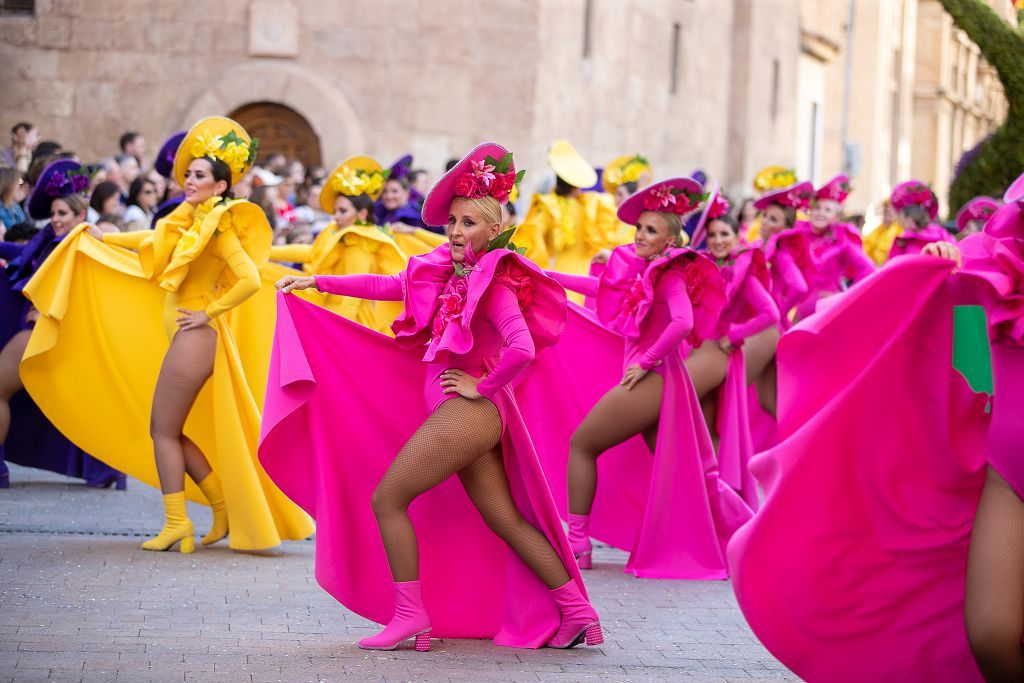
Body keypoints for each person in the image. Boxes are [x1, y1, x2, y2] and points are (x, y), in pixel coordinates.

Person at [265, 142, 602, 651]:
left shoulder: (496, 281)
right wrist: (317, 281)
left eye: (468, 224)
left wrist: (480, 387)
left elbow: (522, 347)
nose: (456, 232)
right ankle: (579, 614)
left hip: (468, 411)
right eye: (453, 222)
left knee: (387, 498)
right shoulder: (449, 271)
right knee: (503, 518)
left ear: (493, 230)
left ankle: (411, 615)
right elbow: (389, 285)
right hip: (466, 414)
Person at [21, 117, 313, 552]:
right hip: (190, 336)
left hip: (198, 336)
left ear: (219, 185)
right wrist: (104, 237)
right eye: (188, 173)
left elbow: (250, 278)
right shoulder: (189, 219)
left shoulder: (220, 224)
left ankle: (177, 522)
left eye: (198, 175)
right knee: (170, 428)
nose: (188, 180)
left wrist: (207, 313)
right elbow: (155, 240)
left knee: (161, 428)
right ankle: (218, 510)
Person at [533, 177, 753, 579]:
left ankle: (578, 544)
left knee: (582, 443)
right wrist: (545, 276)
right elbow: (600, 287)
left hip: (654, 379)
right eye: (639, 228)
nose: (640, 236)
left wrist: (646, 360)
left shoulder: (668, 274)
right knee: (687, 469)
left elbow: (684, 322)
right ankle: (747, 534)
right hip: (657, 378)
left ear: (670, 241)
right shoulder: (641, 268)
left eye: (651, 231)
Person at [0, 160, 125, 489]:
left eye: (62, 214)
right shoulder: (50, 243)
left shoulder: (81, 247)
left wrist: (47, 309)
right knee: (78, 403)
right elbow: (21, 251)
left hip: (47, 332)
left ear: (80, 216)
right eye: (53, 214)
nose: (55, 220)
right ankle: (105, 468)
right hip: (47, 333)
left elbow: (86, 290)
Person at [686, 193, 781, 508]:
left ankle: (725, 500)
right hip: (699, 348)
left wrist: (735, 335)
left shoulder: (744, 270)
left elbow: (771, 314)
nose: (717, 240)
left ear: (736, 234)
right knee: (708, 423)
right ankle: (714, 499)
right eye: (712, 234)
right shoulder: (703, 267)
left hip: (721, 352)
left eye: (724, 234)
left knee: (699, 416)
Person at [267, 156, 406, 332]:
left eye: (343, 211)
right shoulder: (342, 235)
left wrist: (335, 333)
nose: (337, 216)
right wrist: (267, 252)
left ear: (362, 214)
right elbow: (314, 252)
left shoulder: (359, 247)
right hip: (334, 316)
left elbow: (352, 299)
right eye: (336, 211)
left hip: (352, 325)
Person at [514, 140, 619, 277]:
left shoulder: (549, 205)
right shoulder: (593, 204)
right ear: (577, 185)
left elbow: (531, 235)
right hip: (589, 275)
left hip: (564, 276)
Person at [792, 174, 875, 320]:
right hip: (798, 310)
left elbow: (868, 270)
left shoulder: (842, 240)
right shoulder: (799, 235)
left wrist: (845, 295)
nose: (820, 213)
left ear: (836, 217)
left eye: (827, 210)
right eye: (817, 208)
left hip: (827, 312)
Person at [888, 180, 956, 259]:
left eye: (900, 216)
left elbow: (893, 267)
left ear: (909, 220)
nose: (899, 221)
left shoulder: (903, 242)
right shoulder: (943, 235)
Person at [862, 199, 901, 265]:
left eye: (889, 215)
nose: (885, 218)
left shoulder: (899, 231)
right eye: (884, 214)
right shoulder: (880, 229)